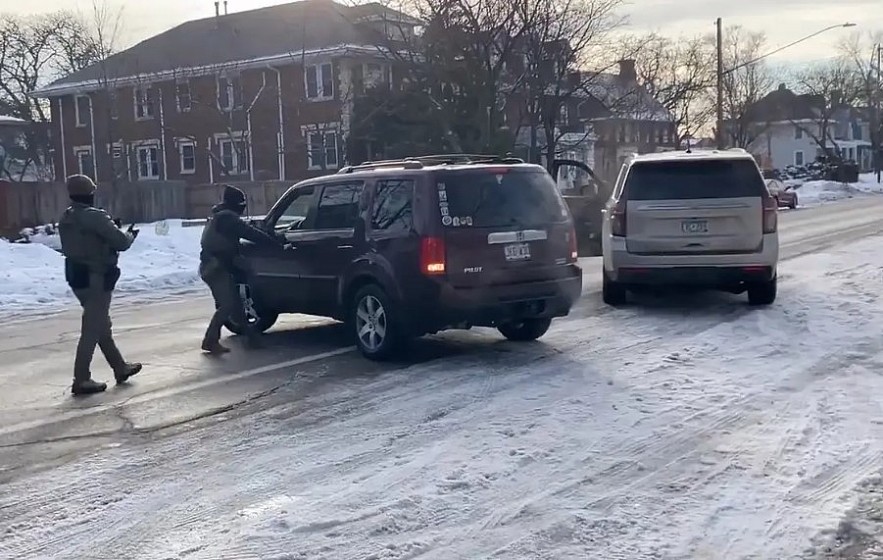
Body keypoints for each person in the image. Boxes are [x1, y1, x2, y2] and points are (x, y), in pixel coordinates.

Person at [58, 175, 142, 396]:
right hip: (96, 277)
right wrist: (129, 235)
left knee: (101, 325)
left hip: (78, 277)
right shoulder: (94, 216)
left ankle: (120, 367)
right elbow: (120, 242)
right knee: (92, 329)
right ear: (90, 194)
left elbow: (87, 240)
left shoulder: (67, 216)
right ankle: (81, 379)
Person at [199, 185, 282, 354]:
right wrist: (275, 243)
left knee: (235, 303)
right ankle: (210, 340)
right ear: (236, 204)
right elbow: (250, 233)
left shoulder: (220, 216)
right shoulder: (227, 218)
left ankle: (252, 338)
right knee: (228, 305)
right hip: (215, 268)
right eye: (242, 204)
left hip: (215, 266)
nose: (243, 208)